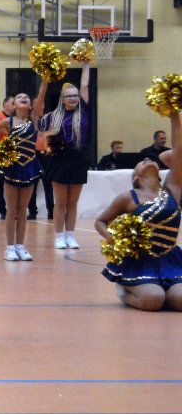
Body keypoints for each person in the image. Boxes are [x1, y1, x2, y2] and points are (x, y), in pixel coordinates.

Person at [96, 112, 182, 311]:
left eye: (148, 160)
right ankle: (124, 292)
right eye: (141, 162)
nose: (146, 159)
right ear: (135, 178)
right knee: (154, 300)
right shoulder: (128, 197)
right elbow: (100, 221)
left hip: (170, 257)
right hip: (140, 261)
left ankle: (164, 291)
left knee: (180, 301)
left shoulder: (172, 189)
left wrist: (174, 116)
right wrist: (114, 240)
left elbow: (178, 152)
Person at [38, 59, 91, 249]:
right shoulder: (53, 117)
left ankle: (70, 235)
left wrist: (86, 64)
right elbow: (38, 119)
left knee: (73, 203)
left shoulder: (83, 111)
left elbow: (84, 85)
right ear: (62, 99)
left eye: (75, 96)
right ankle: (59, 236)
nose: (73, 98)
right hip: (59, 161)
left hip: (78, 161)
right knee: (60, 203)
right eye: (69, 96)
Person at [0, 90, 42, 261]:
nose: (24, 98)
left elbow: (41, 95)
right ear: (13, 105)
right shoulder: (8, 121)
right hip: (12, 167)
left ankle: (20, 246)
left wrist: (46, 79)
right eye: (19, 97)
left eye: (26, 97)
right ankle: (10, 247)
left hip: (29, 166)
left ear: (30, 105)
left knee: (23, 210)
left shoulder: (35, 120)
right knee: (12, 210)